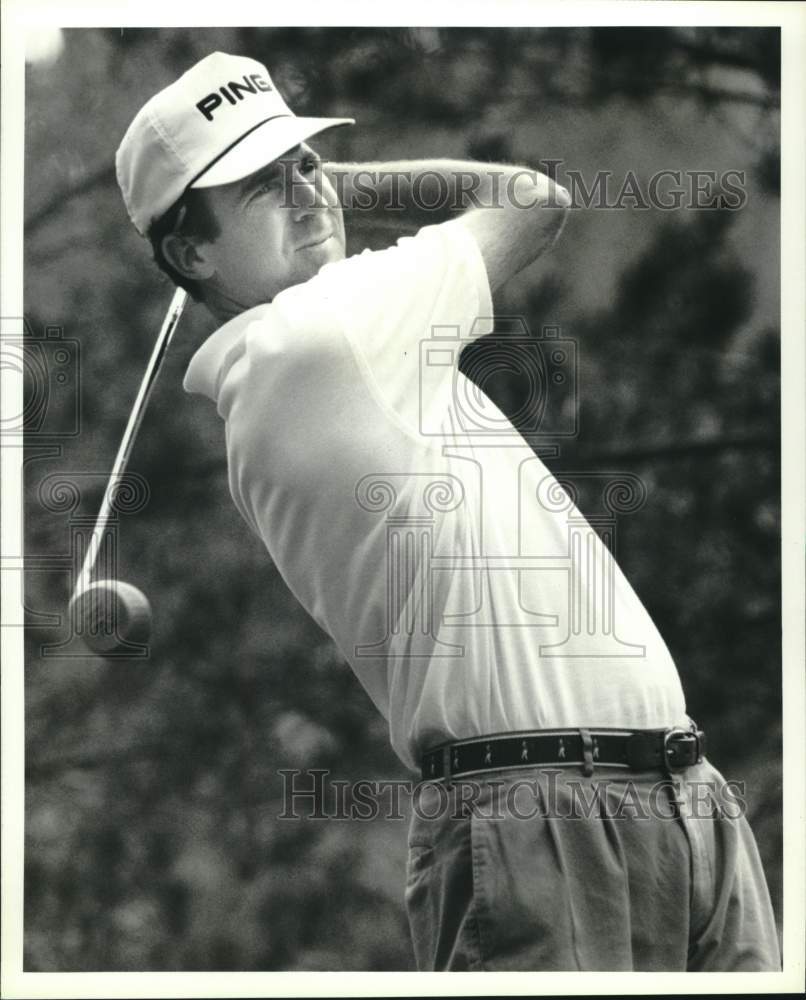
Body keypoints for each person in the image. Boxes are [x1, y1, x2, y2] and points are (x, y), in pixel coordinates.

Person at [116, 50, 781, 971]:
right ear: (191, 253)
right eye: (262, 185)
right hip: (540, 821)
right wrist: (349, 180)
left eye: (307, 160)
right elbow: (529, 199)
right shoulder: (315, 339)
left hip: (677, 794)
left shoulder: (334, 344)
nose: (307, 189)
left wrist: (298, 189)